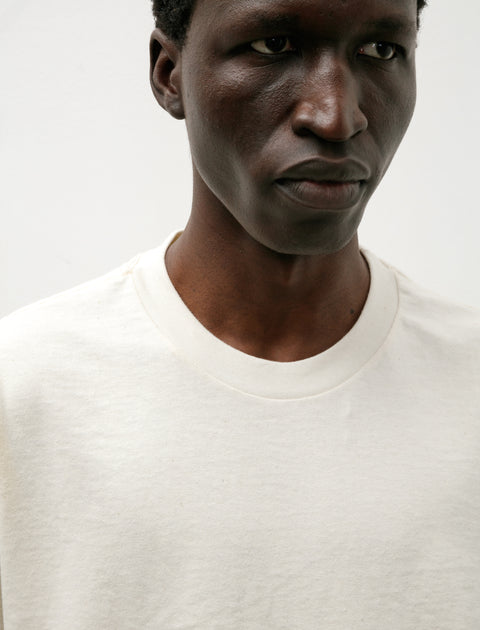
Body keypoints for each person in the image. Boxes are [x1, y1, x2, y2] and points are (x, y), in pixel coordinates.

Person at [0, 0, 479, 628]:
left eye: (381, 51)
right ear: (169, 73)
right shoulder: (21, 391)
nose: (336, 117)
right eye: (273, 46)